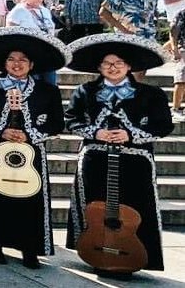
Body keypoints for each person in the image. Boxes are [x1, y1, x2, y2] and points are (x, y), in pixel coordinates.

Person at [64, 33, 173, 276]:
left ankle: (131, 255)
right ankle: (95, 251)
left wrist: (131, 135)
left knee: (135, 207)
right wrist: (96, 133)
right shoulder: (85, 91)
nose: (113, 68)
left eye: (119, 63)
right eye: (107, 64)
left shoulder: (150, 94)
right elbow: (71, 121)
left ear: (129, 66)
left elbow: (163, 125)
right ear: (99, 67)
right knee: (94, 205)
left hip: (136, 162)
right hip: (95, 159)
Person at [0, 26, 66, 269]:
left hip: (32, 152)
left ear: (32, 65)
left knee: (30, 199)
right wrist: (0, 131)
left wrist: (30, 134)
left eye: (23, 60)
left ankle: (29, 247)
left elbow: (57, 123)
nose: (17, 64)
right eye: (11, 59)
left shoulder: (48, 91)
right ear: (4, 63)